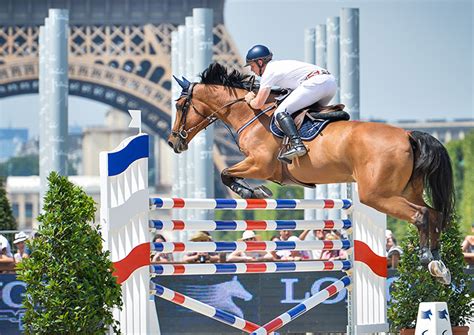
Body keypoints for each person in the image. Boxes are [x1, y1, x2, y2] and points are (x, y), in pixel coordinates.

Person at [243, 44, 337, 162]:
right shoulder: (279, 65)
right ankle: (336, 117)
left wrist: (250, 99)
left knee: (281, 112)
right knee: (308, 112)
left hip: (315, 83)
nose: (251, 70)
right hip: (330, 82)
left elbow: (258, 104)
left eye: (252, 66)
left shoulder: (269, 72)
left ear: (260, 62)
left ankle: (298, 145)